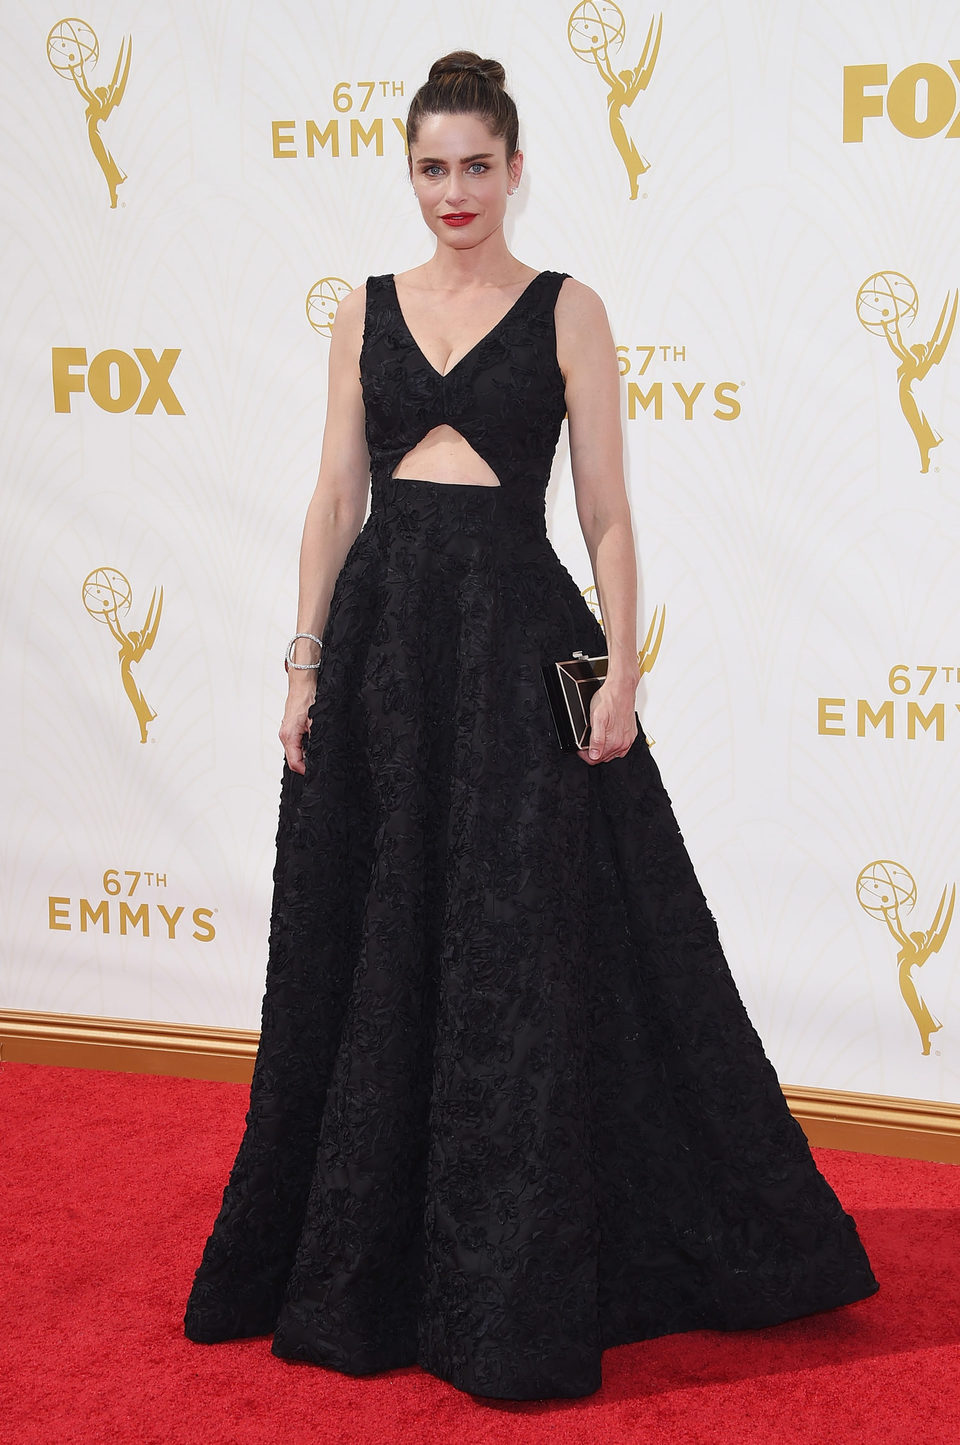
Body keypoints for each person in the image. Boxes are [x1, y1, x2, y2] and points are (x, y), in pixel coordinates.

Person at [183, 51, 878, 1401]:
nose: (455, 192)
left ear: (514, 167)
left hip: (516, 646)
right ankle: (373, 1257)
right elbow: (336, 497)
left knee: (524, 953)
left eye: (476, 166)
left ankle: (512, 1261)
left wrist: (619, 665)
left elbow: (608, 509)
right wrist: (305, 660)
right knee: (377, 946)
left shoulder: (569, 309)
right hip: (386, 647)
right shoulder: (364, 310)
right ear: (412, 171)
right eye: (432, 168)